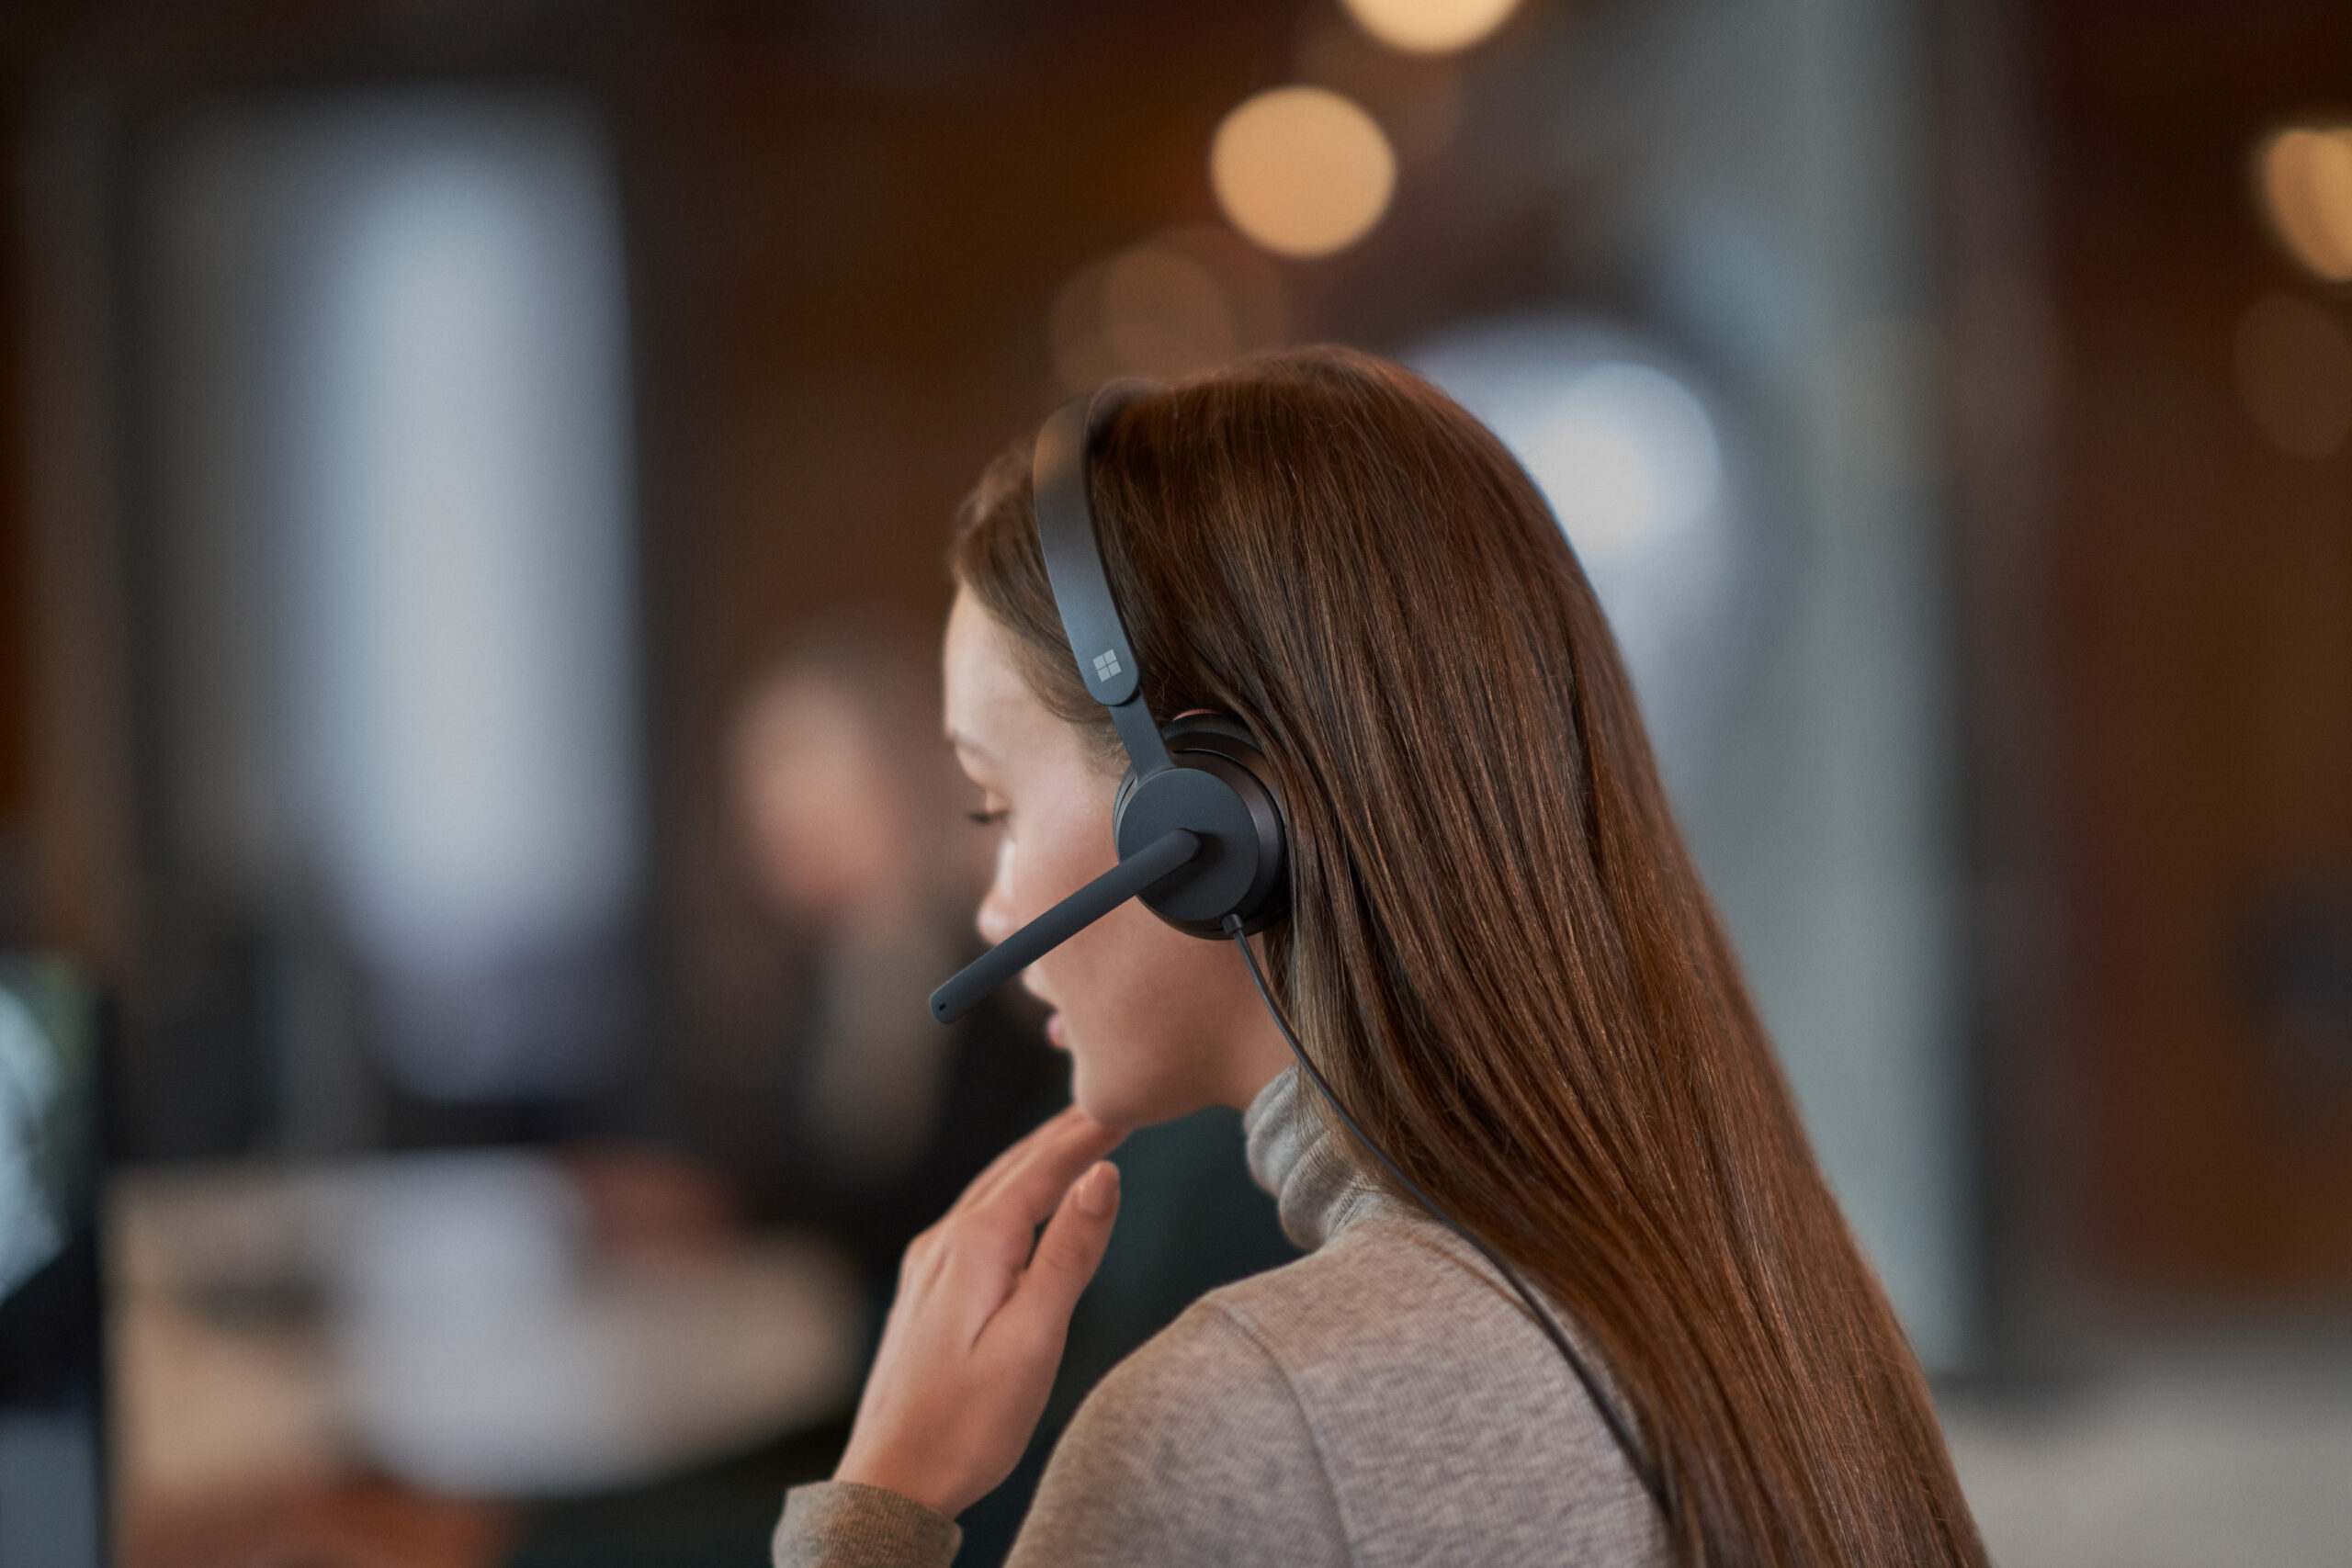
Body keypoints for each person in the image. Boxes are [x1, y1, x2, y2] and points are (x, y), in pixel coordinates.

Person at [772, 347, 1989, 1565]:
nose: (990, 909)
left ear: (1198, 827)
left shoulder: (1234, 1425)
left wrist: (884, 1496)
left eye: (991, 806)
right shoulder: (1780, 1294)